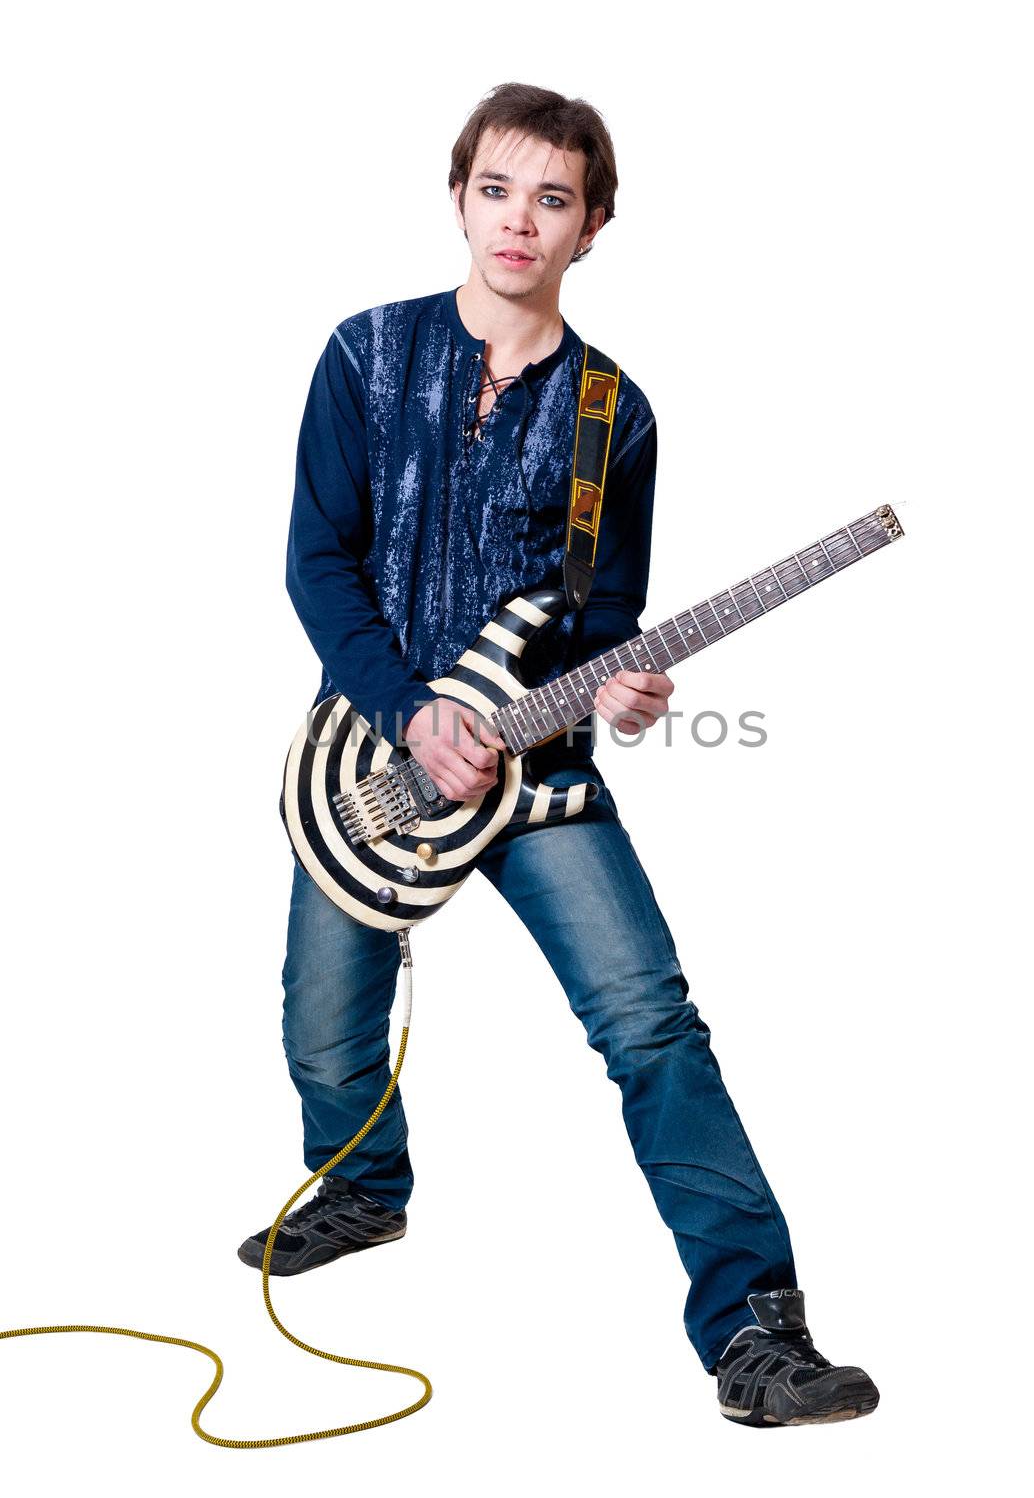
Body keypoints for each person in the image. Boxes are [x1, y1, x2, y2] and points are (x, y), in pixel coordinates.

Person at [238, 82, 879, 1428]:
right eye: (495, 188)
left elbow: (594, 624)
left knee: (650, 1019)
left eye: (552, 198)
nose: (518, 220)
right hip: (369, 753)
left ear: (592, 226)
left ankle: (755, 1325)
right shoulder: (361, 356)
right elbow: (316, 561)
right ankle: (361, 1182)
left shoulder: (614, 415)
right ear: (458, 195)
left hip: (541, 774)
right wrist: (411, 709)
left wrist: (617, 692)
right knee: (320, 1024)